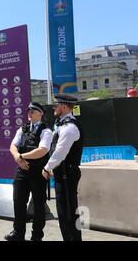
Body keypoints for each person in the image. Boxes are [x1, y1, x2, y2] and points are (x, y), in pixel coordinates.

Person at [4, 102, 53, 242]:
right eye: (28, 111)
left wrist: (21, 156)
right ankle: (18, 233)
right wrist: (17, 157)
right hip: (22, 170)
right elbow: (13, 145)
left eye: (33, 111)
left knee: (38, 205)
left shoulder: (46, 131)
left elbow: (42, 150)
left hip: (38, 172)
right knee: (18, 202)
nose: (29, 113)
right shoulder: (23, 129)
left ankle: (36, 236)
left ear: (41, 113)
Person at [42, 94, 84, 241]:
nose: (54, 107)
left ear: (64, 107)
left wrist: (47, 167)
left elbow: (60, 152)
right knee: (65, 211)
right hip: (63, 172)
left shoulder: (69, 127)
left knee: (68, 212)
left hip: (67, 173)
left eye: (57, 105)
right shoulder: (62, 124)